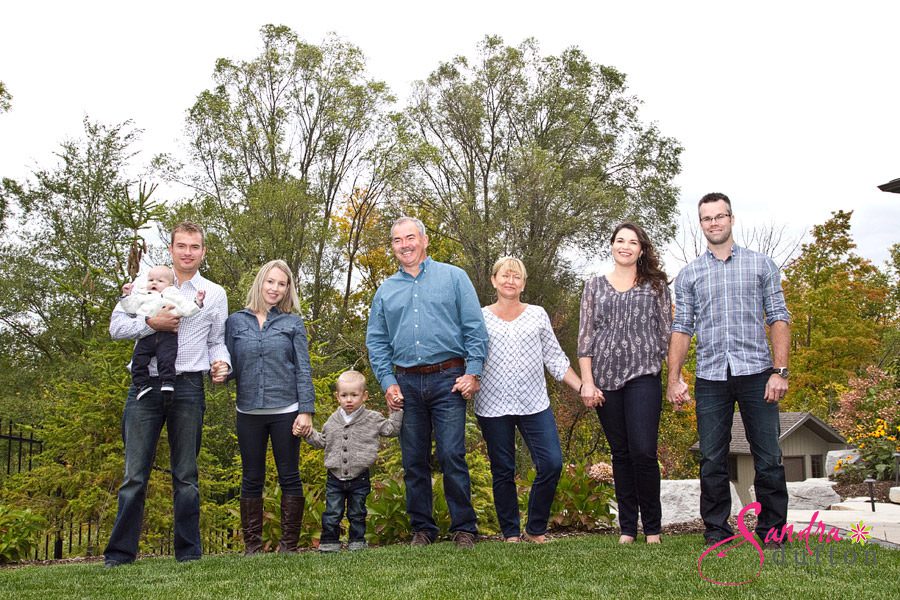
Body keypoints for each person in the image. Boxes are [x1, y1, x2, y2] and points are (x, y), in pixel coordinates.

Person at [667, 192, 790, 547]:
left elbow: (778, 317)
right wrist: (673, 379)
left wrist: (780, 371)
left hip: (757, 373)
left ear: (731, 219)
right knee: (712, 459)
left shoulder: (761, 265)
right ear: (701, 223)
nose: (714, 223)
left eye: (720, 216)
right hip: (710, 376)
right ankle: (717, 531)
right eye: (707, 218)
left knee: (768, 457)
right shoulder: (690, 275)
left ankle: (773, 531)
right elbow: (682, 328)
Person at [104, 222, 231, 567]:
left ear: (203, 252)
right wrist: (150, 324)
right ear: (171, 249)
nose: (188, 252)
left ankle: (188, 553)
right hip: (144, 386)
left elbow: (217, 340)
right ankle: (119, 555)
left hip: (188, 386)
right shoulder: (146, 284)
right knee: (134, 474)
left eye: (195, 246)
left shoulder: (214, 294)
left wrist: (222, 364)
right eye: (182, 246)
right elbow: (116, 328)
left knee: (186, 475)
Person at [365, 216, 489, 548]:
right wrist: (387, 381)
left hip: (449, 379)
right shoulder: (386, 291)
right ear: (392, 246)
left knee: (451, 454)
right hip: (405, 384)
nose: (404, 245)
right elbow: (376, 342)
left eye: (410, 238)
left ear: (424, 240)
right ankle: (423, 529)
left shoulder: (454, 278)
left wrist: (473, 372)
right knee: (413, 460)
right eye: (396, 240)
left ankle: (464, 528)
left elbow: (475, 329)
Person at [473, 256, 587, 544]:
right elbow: (470, 355)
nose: (510, 281)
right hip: (492, 405)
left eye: (516, 277)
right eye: (505, 276)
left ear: (523, 283)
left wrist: (582, 386)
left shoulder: (537, 314)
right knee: (503, 470)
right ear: (493, 280)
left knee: (551, 463)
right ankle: (510, 532)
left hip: (534, 404)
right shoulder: (480, 317)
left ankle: (535, 528)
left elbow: (555, 359)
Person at [578, 223, 672, 545]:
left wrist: (675, 375)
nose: (626, 246)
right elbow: (585, 338)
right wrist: (587, 383)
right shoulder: (593, 286)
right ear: (612, 246)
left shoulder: (656, 286)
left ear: (641, 249)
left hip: (644, 374)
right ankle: (628, 528)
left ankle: (654, 528)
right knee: (621, 453)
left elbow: (666, 333)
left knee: (643, 451)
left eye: (633, 242)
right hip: (605, 380)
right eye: (620, 240)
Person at [224, 259, 316, 554]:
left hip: (286, 410)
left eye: (282, 283)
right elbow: (230, 367)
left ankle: (288, 546)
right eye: (271, 281)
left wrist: (306, 410)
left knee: (289, 475)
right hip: (248, 411)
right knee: (251, 477)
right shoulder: (235, 322)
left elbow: (303, 368)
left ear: (288, 289)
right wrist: (219, 371)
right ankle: (252, 547)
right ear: (260, 282)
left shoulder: (293, 323)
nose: (275, 288)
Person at [302, 370, 402, 553]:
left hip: (359, 476)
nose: (349, 400)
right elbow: (322, 442)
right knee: (332, 512)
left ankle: (357, 540)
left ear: (364, 396)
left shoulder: (372, 418)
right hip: (334, 476)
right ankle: (329, 541)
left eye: (354, 395)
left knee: (357, 511)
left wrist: (395, 410)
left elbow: (391, 429)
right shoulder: (332, 421)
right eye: (344, 395)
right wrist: (307, 433)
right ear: (337, 397)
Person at [118, 265, 205, 400]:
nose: (154, 283)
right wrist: (126, 295)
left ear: (170, 284)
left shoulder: (173, 295)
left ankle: (168, 382)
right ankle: (141, 385)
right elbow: (130, 308)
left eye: (159, 281)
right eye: (151, 280)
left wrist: (197, 302)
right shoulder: (142, 294)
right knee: (139, 359)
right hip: (146, 336)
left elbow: (186, 309)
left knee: (167, 358)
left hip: (168, 335)